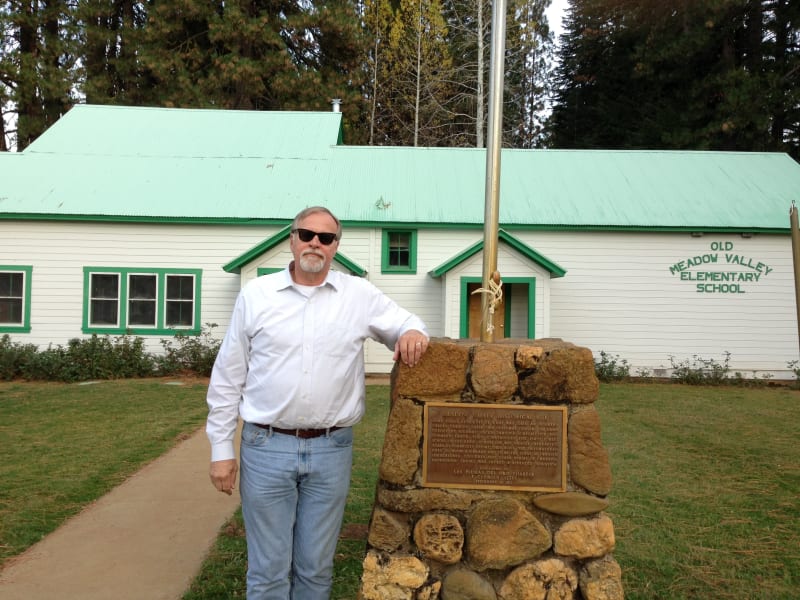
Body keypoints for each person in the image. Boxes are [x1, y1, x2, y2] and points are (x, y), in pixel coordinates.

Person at [206, 206, 429, 599]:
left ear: (335, 247)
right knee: (268, 571)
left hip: (331, 449)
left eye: (326, 238)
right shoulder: (256, 296)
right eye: (307, 234)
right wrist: (222, 449)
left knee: (315, 570)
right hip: (266, 446)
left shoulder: (358, 295)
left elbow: (406, 322)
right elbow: (228, 376)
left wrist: (412, 332)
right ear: (291, 239)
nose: (315, 243)